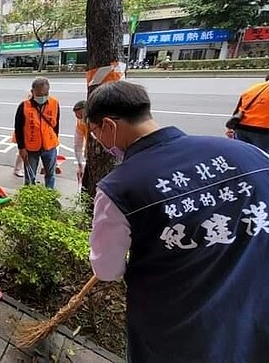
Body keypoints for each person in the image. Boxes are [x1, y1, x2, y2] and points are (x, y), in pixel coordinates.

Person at [86, 81, 269, 361]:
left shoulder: (118, 189)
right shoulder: (249, 154)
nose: (97, 139)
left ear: (109, 126)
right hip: (254, 313)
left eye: (95, 131)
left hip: (177, 332)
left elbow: (107, 269)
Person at [14, 77, 60, 189]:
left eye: (45, 93)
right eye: (39, 94)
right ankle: (30, 197)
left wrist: (55, 144)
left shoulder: (54, 103)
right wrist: (21, 148)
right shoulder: (24, 106)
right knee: (30, 177)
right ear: (32, 92)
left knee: (50, 175)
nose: (42, 97)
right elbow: (18, 128)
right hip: (30, 148)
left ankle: (49, 197)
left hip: (50, 147)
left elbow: (56, 126)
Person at [225, 77, 269, 152]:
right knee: (263, 159)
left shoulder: (253, 88)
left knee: (245, 156)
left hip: (241, 128)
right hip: (263, 130)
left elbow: (239, 109)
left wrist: (230, 128)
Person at [73, 100, 87, 185]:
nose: (80, 118)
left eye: (81, 116)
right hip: (89, 156)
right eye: (77, 117)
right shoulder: (80, 124)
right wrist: (80, 165)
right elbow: (78, 144)